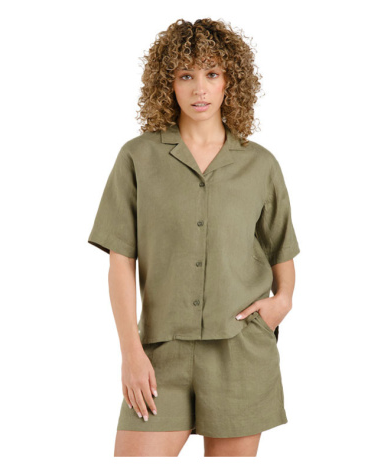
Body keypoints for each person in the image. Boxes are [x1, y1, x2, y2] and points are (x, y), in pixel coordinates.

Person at [88, 18, 301, 457]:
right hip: (159, 354)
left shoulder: (260, 164)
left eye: (212, 73)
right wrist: (130, 353)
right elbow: (120, 261)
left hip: (240, 351)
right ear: (167, 83)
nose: (199, 89)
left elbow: (281, 248)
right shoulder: (137, 157)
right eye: (186, 75)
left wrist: (282, 302)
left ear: (230, 82)